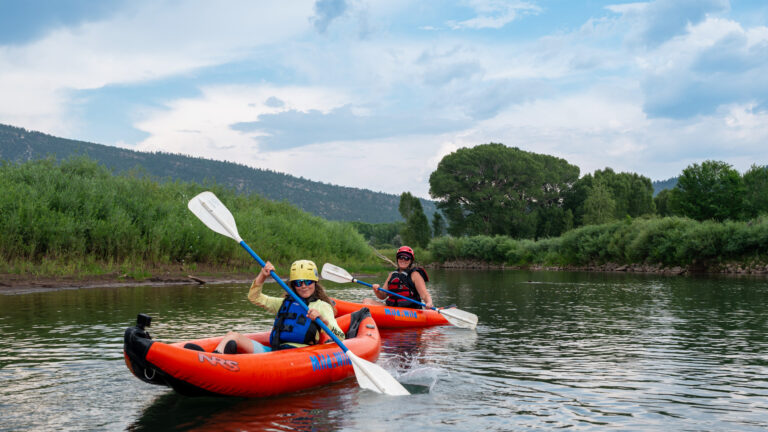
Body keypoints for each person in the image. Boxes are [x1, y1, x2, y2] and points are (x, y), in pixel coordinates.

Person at [207, 259, 345, 354]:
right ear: (293, 285)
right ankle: (214, 358)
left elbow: (341, 337)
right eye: (298, 283)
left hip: (300, 355)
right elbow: (254, 297)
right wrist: (262, 276)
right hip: (275, 352)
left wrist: (323, 321)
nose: (304, 286)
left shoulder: (322, 306)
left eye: (308, 281)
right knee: (233, 336)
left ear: (315, 282)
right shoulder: (283, 303)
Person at [363, 246, 434, 310]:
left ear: (411, 261)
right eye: (400, 257)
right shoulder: (392, 275)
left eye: (406, 258)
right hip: (392, 309)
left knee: (367, 306)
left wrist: (429, 303)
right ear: (397, 259)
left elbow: (425, 295)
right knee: (367, 301)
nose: (403, 260)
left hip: (410, 310)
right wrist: (377, 290)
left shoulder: (415, 274)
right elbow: (382, 296)